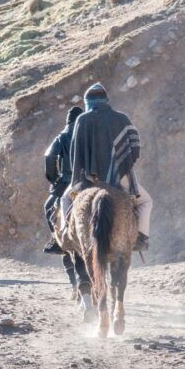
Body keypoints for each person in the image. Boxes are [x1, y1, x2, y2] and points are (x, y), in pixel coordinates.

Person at [65, 82, 152, 251]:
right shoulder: (122, 118)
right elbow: (134, 147)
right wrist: (122, 166)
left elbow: (75, 153)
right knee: (146, 202)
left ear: (88, 101)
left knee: (66, 199)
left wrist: (81, 174)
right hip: (120, 179)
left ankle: (65, 237)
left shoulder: (82, 120)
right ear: (106, 100)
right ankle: (141, 238)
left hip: (88, 181)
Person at [43, 106, 83, 254]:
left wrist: (53, 178)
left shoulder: (63, 135)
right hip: (93, 179)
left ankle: (57, 239)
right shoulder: (88, 133)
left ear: (68, 121)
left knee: (48, 207)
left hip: (69, 181)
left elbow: (49, 156)